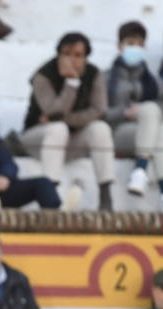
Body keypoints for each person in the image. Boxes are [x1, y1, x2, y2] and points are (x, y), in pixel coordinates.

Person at [22, 32, 115, 211]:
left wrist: (64, 119)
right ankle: (50, 197)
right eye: (67, 54)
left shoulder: (94, 74)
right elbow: (53, 110)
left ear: (86, 58)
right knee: (58, 129)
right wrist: (71, 83)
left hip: (72, 139)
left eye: (78, 55)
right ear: (58, 54)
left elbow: (100, 111)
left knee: (100, 128)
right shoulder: (43, 76)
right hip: (38, 140)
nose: (72, 60)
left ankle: (106, 194)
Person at [106, 21, 163, 211]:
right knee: (154, 116)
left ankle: (145, 176)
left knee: (160, 123)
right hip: (118, 133)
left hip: (148, 135)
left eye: (139, 44)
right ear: (119, 47)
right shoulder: (106, 79)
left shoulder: (157, 84)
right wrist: (125, 112)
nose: (135, 48)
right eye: (130, 43)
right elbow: (100, 114)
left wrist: (149, 113)